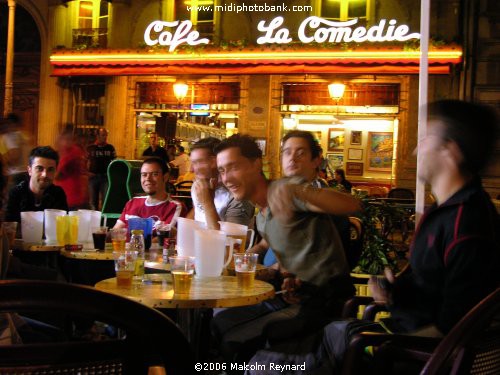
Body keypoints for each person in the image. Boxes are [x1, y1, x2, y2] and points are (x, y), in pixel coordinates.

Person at [247, 99, 500, 374]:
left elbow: (455, 329)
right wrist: (393, 291)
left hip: (403, 353)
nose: (416, 150)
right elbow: (433, 292)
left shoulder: (467, 224)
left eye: (426, 138)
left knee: (260, 364)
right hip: (390, 337)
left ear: (449, 151)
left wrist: (376, 342)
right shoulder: (448, 212)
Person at [211, 134, 360, 367]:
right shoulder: (261, 217)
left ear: (256, 164)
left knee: (234, 343)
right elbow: (291, 254)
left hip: (323, 303)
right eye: (221, 171)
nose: (226, 178)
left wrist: (302, 193)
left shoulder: (286, 190)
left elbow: (351, 205)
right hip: (296, 297)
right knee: (219, 321)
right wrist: (288, 276)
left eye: (233, 167)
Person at [188, 137, 254, 229]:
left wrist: (207, 202)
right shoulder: (199, 185)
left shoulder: (237, 195)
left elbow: (231, 241)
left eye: (197, 162)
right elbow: (197, 211)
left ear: (214, 161)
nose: (190, 169)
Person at [114, 157, 186, 229]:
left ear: (166, 177)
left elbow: (163, 237)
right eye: (144, 175)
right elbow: (115, 232)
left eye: (154, 174)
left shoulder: (174, 207)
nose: (148, 178)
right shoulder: (132, 203)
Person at [5, 146, 68, 223]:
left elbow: (61, 226)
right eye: (39, 168)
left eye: (50, 170)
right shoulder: (16, 193)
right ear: (29, 170)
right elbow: (9, 226)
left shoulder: (58, 194)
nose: (45, 174)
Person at [55, 128, 89, 210]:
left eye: (68, 139)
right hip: (66, 196)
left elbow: (59, 175)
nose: (65, 141)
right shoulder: (68, 152)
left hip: (71, 197)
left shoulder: (73, 153)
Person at [0, 113, 32, 191]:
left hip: (15, 174)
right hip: (27, 172)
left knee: (12, 200)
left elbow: (14, 156)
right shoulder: (25, 136)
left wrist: (4, 160)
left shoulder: (10, 136)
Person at [87, 128, 116, 210]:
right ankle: (94, 219)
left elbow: (114, 162)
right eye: (103, 135)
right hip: (93, 177)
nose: (105, 137)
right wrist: (87, 173)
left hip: (105, 177)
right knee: (93, 201)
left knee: (105, 200)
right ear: (98, 136)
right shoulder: (90, 148)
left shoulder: (110, 148)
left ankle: (103, 219)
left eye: (106, 135)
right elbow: (84, 161)